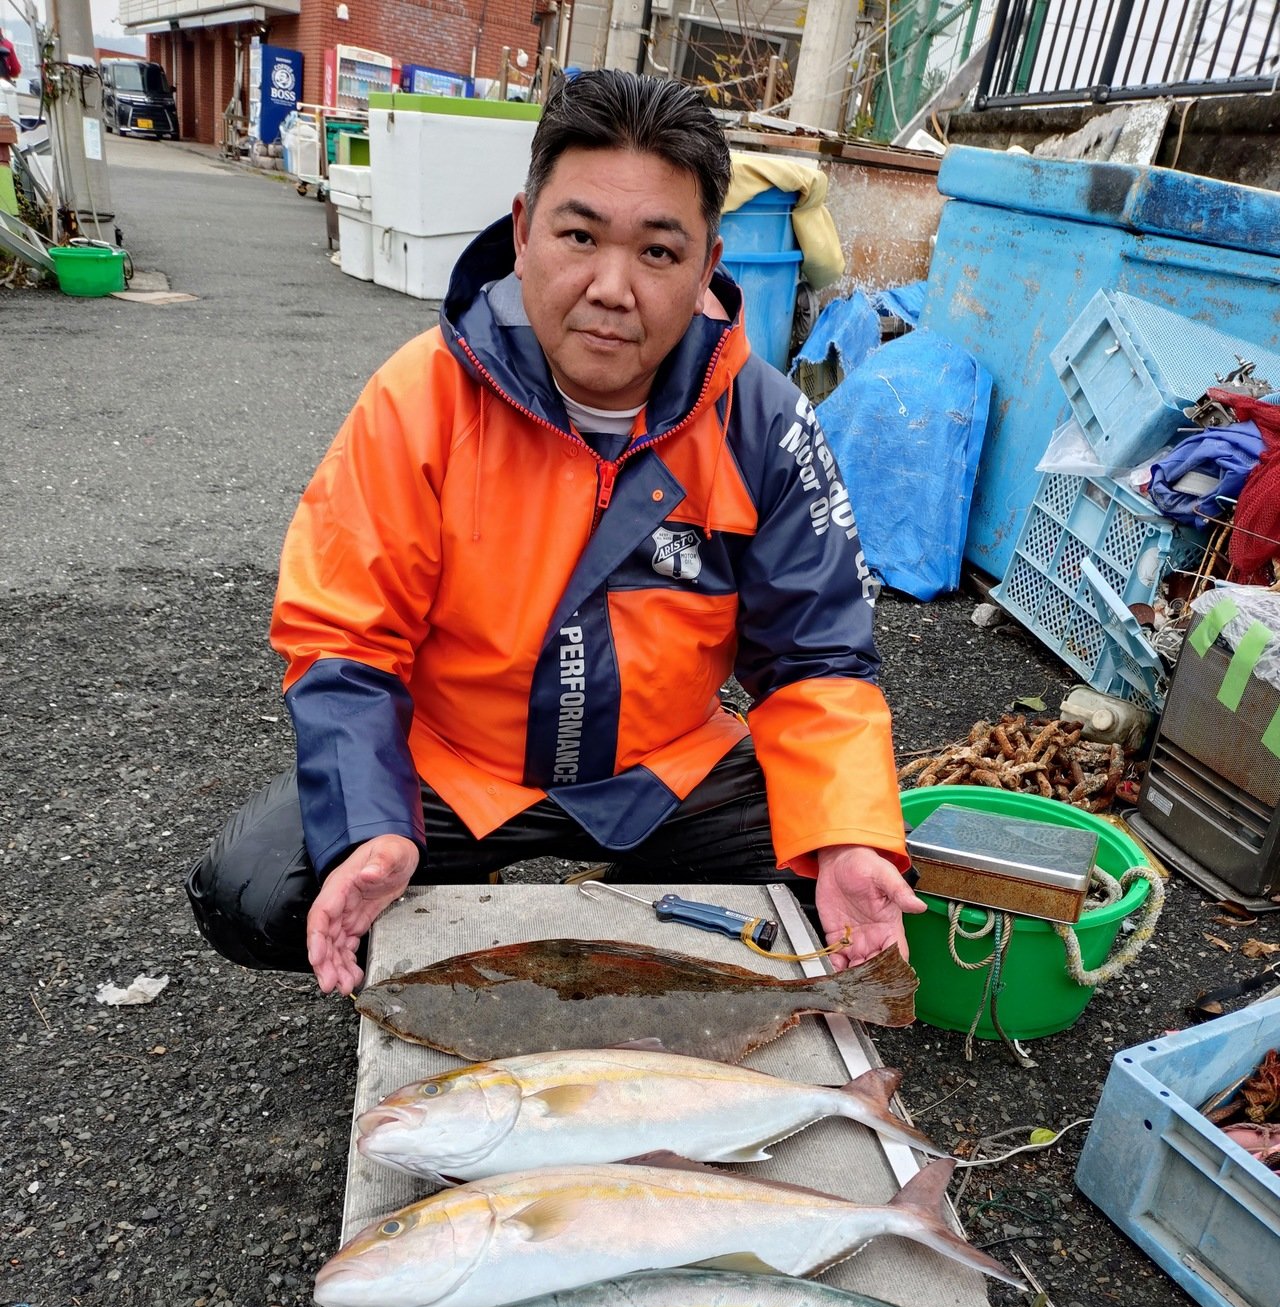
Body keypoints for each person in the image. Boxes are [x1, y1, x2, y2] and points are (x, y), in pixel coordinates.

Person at [187, 70, 923, 997]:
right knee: (256, 888)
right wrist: (371, 824)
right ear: (523, 229)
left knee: (846, 860)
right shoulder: (418, 398)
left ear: (707, 266)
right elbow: (344, 639)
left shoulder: (763, 422)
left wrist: (848, 838)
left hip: (664, 770)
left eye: (658, 252)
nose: (612, 288)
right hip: (457, 765)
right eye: (580, 236)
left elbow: (818, 659)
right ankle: (447, 878)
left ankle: (631, 905)